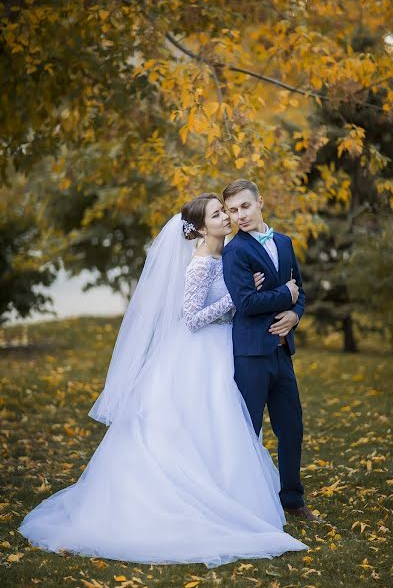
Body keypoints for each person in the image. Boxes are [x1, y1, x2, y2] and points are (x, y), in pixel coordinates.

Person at [18, 193, 309, 568]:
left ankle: (231, 491)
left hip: (223, 348)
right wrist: (238, 300)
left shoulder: (227, 254)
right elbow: (191, 317)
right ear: (201, 228)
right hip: (198, 353)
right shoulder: (201, 261)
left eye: (227, 211)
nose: (226, 218)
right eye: (219, 214)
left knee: (220, 427)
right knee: (196, 425)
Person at [222, 179, 323, 522]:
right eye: (233, 211)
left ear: (260, 202)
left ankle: (293, 501)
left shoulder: (284, 241)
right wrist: (286, 296)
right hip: (250, 355)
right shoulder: (234, 250)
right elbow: (246, 302)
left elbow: (301, 291)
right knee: (247, 431)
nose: (240, 216)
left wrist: (295, 313)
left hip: (282, 353)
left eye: (245, 207)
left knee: (291, 428)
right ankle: (239, 503)